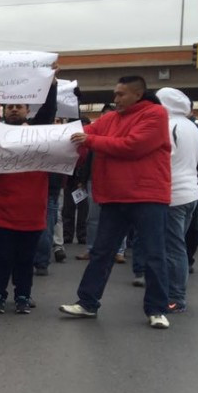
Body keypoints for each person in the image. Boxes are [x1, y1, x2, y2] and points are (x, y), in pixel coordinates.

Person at [60, 76, 172, 328]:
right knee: (101, 252)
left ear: (138, 95)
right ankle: (87, 303)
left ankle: (157, 309)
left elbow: (132, 146)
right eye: (115, 93)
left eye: (121, 94)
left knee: (154, 254)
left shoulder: (156, 115)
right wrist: (50, 135)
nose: (116, 99)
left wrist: (89, 141)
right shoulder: (110, 119)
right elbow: (81, 133)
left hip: (147, 196)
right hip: (113, 196)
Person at [0, 71, 61, 314]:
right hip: (2, 210)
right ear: (3, 110)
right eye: (9, 106)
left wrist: (51, 84)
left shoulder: (39, 133)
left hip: (32, 211)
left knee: (24, 260)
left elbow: (48, 112)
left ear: (27, 111)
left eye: (18, 106)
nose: (13, 110)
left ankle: (23, 295)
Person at [151, 88, 198, 313]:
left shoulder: (167, 126)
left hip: (171, 195)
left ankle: (176, 298)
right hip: (190, 194)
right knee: (178, 245)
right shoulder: (193, 127)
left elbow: (162, 158)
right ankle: (172, 293)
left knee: (173, 248)